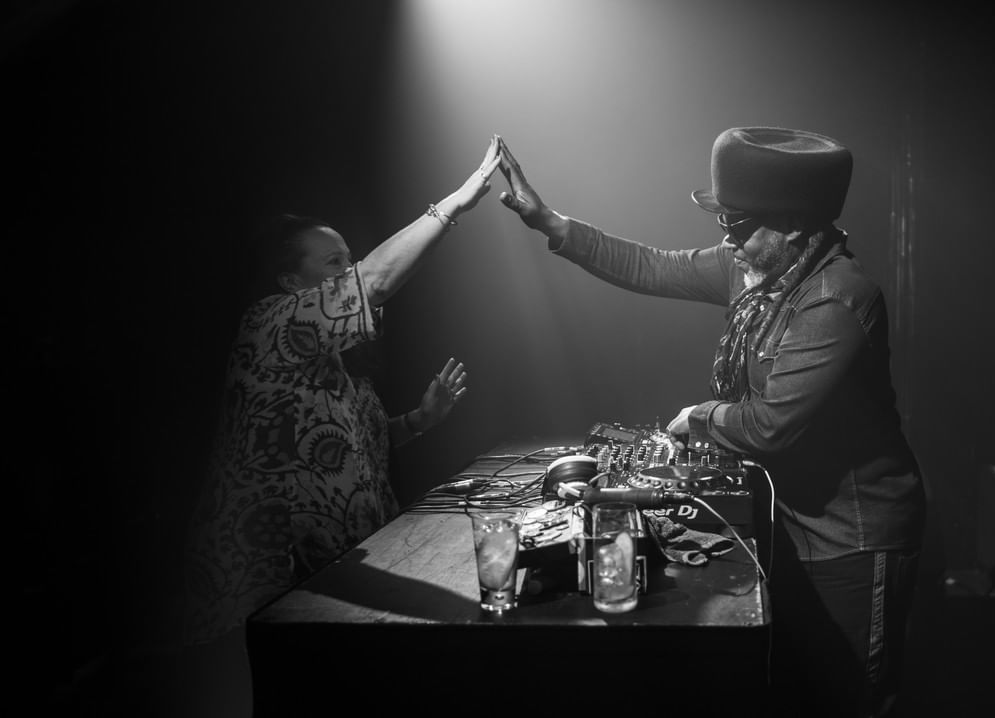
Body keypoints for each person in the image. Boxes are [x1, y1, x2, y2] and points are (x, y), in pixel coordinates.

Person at [496, 128, 925, 717]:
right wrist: (549, 222)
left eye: (738, 224)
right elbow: (650, 266)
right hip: (792, 523)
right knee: (798, 688)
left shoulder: (835, 299)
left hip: (852, 538)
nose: (727, 239)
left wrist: (698, 417)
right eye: (724, 221)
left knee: (848, 695)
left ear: (793, 225)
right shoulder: (757, 266)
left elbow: (772, 425)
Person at [178, 136, 501, 717]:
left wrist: (420, 420)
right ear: (291, 285)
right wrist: (454, 203)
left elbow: (362, 450)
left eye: (348, 260)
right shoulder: (268, 326)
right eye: (333, 263)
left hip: (324, 588)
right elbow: (373, 282)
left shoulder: (337, 367)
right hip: (258, 592)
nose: (348, 272)